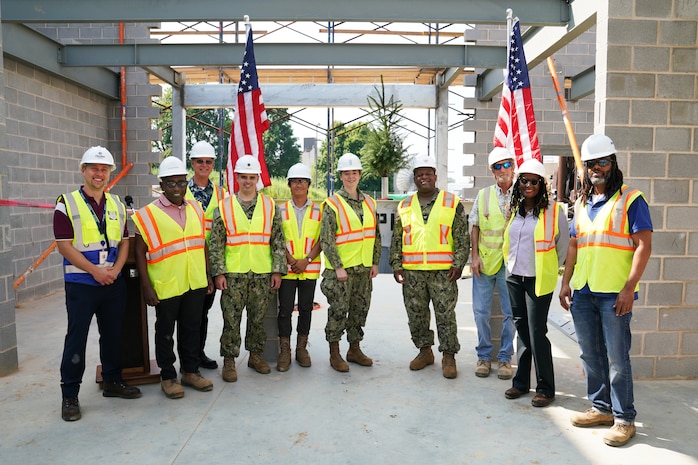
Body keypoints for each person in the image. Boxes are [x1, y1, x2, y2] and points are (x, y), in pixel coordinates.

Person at [559, 134, 653, 447]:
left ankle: (625, 419)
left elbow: (644, 246)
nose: (597, 167)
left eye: (603, 161)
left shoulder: (631, 199)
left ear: (613, 163)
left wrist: (629, 288)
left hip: (614, 293)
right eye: (591, 164)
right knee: (589, 353)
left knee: (616, 357)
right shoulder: (583, 203)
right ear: (584, 169)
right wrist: (565, 282)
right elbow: (574, 244)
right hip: (583, 292)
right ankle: (601, 408)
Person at [53, 146, 141, 422]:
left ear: (110, 173)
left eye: (104, 169)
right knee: (76, 339)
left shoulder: (116, 205)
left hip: (111, 282)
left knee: (114, 334)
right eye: (94, 168)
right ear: (84, 171)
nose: (99, 173)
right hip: (81, 284)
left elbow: (125, 242)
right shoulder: (66, 203)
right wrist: (96, 271)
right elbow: (64, 247)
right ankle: (70, 395)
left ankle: (113, 381)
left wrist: (114, 270)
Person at [132, 156, 214, 399]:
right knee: (165, 332)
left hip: (194, 281)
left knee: (191, 328)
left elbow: (202, 244)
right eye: (171, 184)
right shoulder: (147, 214)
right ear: (162, 185)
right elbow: (139, 251)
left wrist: (207, 275)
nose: (177, 189)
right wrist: (146, 286)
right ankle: (168, 376)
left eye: (181, 183)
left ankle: (190, 371)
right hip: (166, 284)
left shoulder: (196, 208)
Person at [390, 155, 469, 379]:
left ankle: (449, 355)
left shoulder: (451, 202)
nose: (424, 177)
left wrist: (459, 263)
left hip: (443, 272)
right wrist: (396, 264)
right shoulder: (404, 205)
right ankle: (425, 351)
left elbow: (462, 237)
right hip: (413, 272)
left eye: (428, 173)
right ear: (414, 179)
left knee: (445, 314)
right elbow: (397, 238)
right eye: (419, 174)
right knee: (416, 314)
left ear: (435, 176)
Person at [209, 155, 286, 382]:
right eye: (243, 177)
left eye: (252, 177)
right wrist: (219, 272)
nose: (248, 182)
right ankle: (230, 360)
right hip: (233, 274)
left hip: (262, 273)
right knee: (231, 319)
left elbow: (278, 240)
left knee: (257, 318)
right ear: (237, 177)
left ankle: (255, 355)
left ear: (258, 179)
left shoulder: (270, 205)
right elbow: (216, 243)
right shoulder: (224, 207)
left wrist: (277, 270)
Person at [501, 159, 569, 407]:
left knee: (537, 332)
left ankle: (545, 388)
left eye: (534, 181)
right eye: (524, 180)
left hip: (538, 279)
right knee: (521, 329)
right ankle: (521, 384)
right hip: (514, 276)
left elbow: (563, 247)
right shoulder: (515, 208)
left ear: (542, 184)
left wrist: (550, 268)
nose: (528, 185)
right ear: (518, 183)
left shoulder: (554, 211)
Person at [320, 153, 381, 372]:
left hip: (363, 269)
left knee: (359, 309)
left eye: (354, 173)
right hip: (341, 271)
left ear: (360, 175)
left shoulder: (369, 202)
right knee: (338, 310)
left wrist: (375, 262)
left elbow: (375, 234)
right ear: (340, 176)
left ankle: (354, 349)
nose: (351, 177)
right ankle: (334, 353)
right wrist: (337, 267)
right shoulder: (332, 203)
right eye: (346, 173)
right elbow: (326, 238)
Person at [469, 147, 516, 379]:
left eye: (506, 164)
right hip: (486, 263)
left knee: (510, 313)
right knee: (480, 312)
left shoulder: (523, 193)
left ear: (513, 167)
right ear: (492, 171)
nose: (502, 170)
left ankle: (506, 359)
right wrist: (474, 256)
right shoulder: (484, 194)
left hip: (512, 266)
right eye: (497, 166)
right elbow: (475, 225)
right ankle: (484, 357)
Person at [185, 140, 227, 370]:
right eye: (199, 161)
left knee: (202, 312)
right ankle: (187, 358)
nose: (204, 165)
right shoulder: (180, 190)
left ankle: (198, 354)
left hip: (210, 263)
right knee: (188, 315)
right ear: (192, 163)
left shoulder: (222, 194)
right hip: (187, 260)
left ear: (212, 165)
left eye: (208, 162)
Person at [276, 163, 322, 371]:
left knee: (305, 309)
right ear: (289, 184)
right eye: (295, 181)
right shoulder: (281, 210)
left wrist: (307, 260)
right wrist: (292, 260)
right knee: (285, 311)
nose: (298, 185)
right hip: (288, 269)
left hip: (309, 269)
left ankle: (301, 349)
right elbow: (276, 238)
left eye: (302, 181)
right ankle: (285, 350)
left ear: (308, 185)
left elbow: (322, 239)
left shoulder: (318, 210)